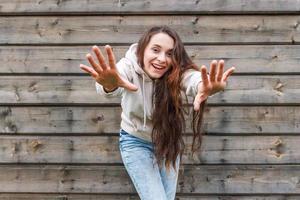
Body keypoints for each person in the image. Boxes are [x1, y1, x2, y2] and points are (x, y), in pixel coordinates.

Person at [80, 26, 235, 200]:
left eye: (169, 53)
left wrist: (204, 85)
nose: (162, 59)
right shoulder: (128, 66)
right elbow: (115, 79)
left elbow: (192, 78)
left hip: (168, 142)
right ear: (142, 49)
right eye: (155, 50)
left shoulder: (175, 72)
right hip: (135, 143)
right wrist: (109, 84)